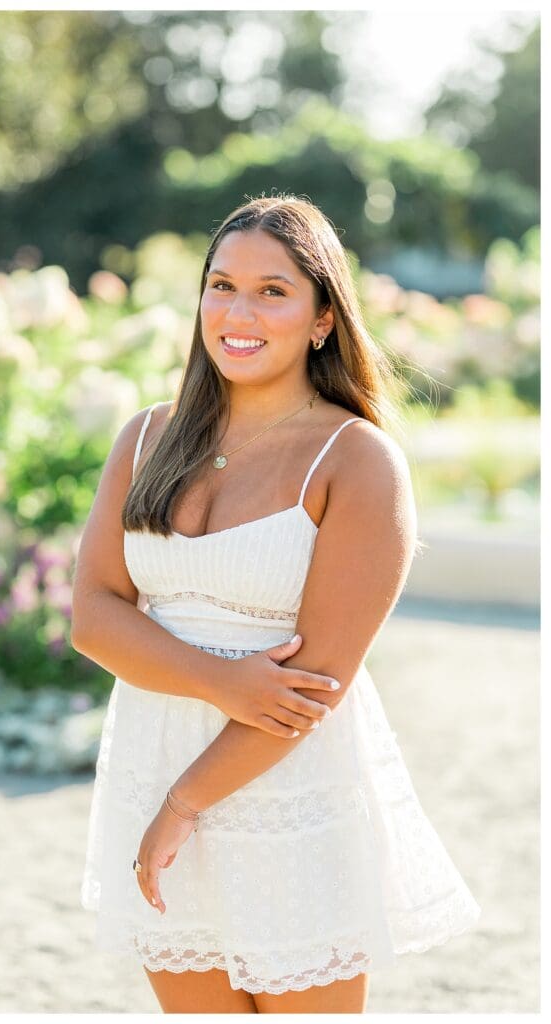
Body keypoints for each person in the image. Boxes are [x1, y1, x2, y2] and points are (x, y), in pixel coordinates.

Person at [72, 194, 481, 1013]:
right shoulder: (146, 440)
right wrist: (222, 684)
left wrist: (185, 805)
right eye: (221, 286)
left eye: (272, 291)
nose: (237, 312)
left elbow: (314, 687)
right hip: (152, 764)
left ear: (322, 317)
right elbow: (93, 616)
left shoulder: (356, 461)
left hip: (289, 787)